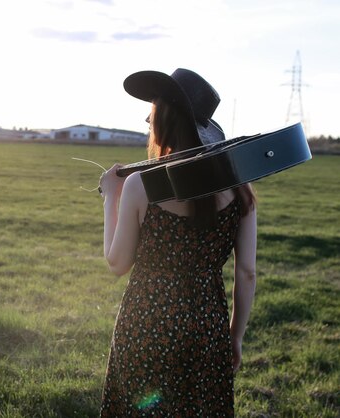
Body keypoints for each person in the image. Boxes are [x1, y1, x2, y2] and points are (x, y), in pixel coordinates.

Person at [98, 68, 257, 417]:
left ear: (163, 119)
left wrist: (111, 196)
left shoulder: (141, 184)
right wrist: (235, 336)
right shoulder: (239, 187)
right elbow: (246, 273)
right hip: (208, 324)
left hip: (148, 322)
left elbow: (117, 262)